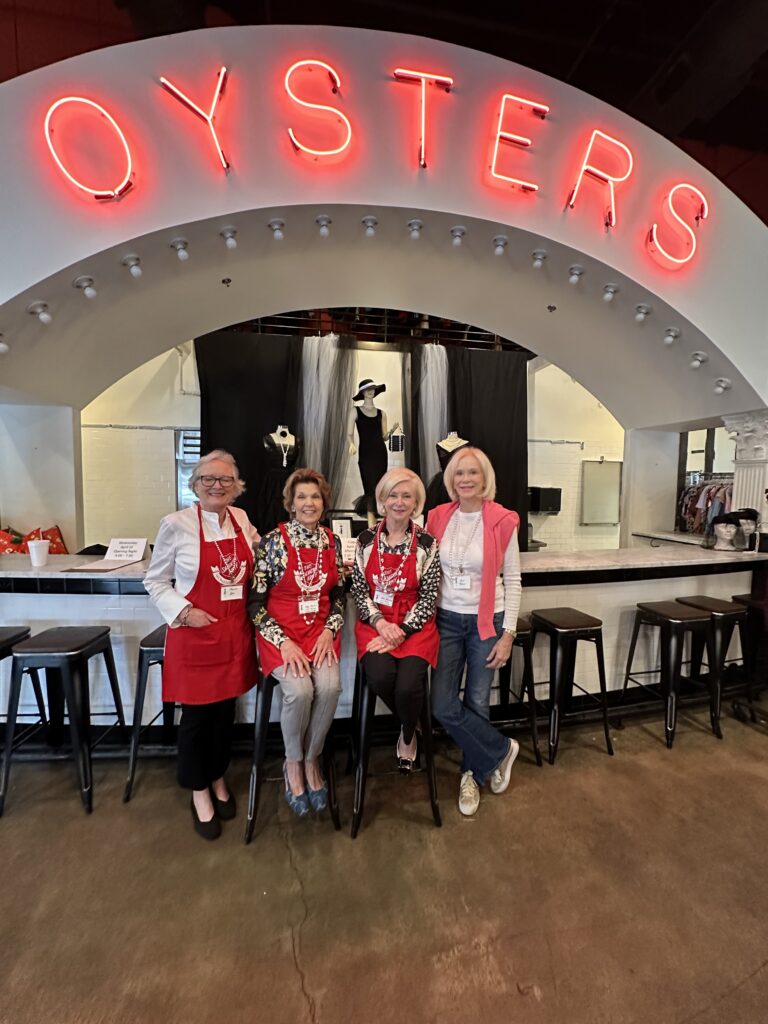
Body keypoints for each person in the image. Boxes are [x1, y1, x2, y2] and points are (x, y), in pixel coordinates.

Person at [144, 449, 259, 840]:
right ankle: (199, 789)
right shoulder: (175, 524)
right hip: (194, 633)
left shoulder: (242, 520)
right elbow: (155, 580)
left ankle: (218, 775)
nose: (216, 485)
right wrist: (184, 612)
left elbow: (260, 559)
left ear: (236, 487)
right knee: (196, 720)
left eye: (225, 479)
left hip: (232, 634)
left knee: (225, 714)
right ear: (194, 485)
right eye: (208, 479)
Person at [427, 447, 522, 817]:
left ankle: (472, 773)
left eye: (473, 473)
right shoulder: (436, 517)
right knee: (442, 704)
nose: (465, 479)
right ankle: (501, 749)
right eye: (459, 473)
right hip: (446, 620)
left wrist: (509, 633)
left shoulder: (502, 520)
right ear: (451, 479)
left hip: (487, 622)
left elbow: (512, 579)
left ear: (485, 479)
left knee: (478, 701)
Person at [248, 468, 344, 816]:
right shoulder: (272, 542)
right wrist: (283, 642)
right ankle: (292, 763)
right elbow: (254, 604)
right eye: (301, 497)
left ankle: (312, 758)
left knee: (331, 687)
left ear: (324, 502)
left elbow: (338, 595)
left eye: (315, 497)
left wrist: (330, 629)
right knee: (301, 690)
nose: (308, 503)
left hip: (319, 632)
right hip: (280, 635)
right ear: (291, 503)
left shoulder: (332, 542)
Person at [351, 468, 441, 771]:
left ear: (416, 503)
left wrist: (401, 630)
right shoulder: (364, 540)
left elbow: (429, 596)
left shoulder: (428, 543)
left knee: (408, 687)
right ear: (382, 499)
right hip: (375, 624)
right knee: (379, 676)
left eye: (406, 496)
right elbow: (359, 590)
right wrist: (380, 624)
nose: (399, 502)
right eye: (393, 495)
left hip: (414, 627)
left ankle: (406, 734)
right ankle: (414, 722)